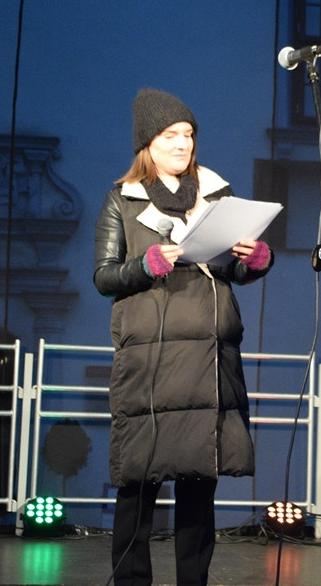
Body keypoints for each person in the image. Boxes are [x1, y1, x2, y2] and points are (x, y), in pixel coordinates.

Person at [93, 88, 273, 586]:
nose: (182, 144)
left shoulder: (218, 194)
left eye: (188, 135)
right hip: (150, 363)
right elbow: (104, 277)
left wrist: (255, 259)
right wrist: (146, 265)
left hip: (208, 359)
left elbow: (236, 268)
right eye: (171, 135)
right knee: (138, 482)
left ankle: (194, 582)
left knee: (200, 482)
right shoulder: (120, 201)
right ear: (147, 143)